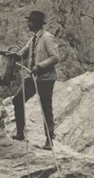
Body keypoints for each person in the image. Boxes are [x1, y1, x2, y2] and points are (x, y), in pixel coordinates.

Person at [11, 10, 61, 149]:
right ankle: (20, 133)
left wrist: (39, 66)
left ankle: (49, 141)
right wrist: (13, 55)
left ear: (36, 23)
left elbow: (55, 57)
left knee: (46, 108)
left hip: (45, 79)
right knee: (17, 100)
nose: (28, 24)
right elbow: (24, 52)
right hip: (32, 77)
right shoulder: (33, 38)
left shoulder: (47, 38)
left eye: (30, 21)